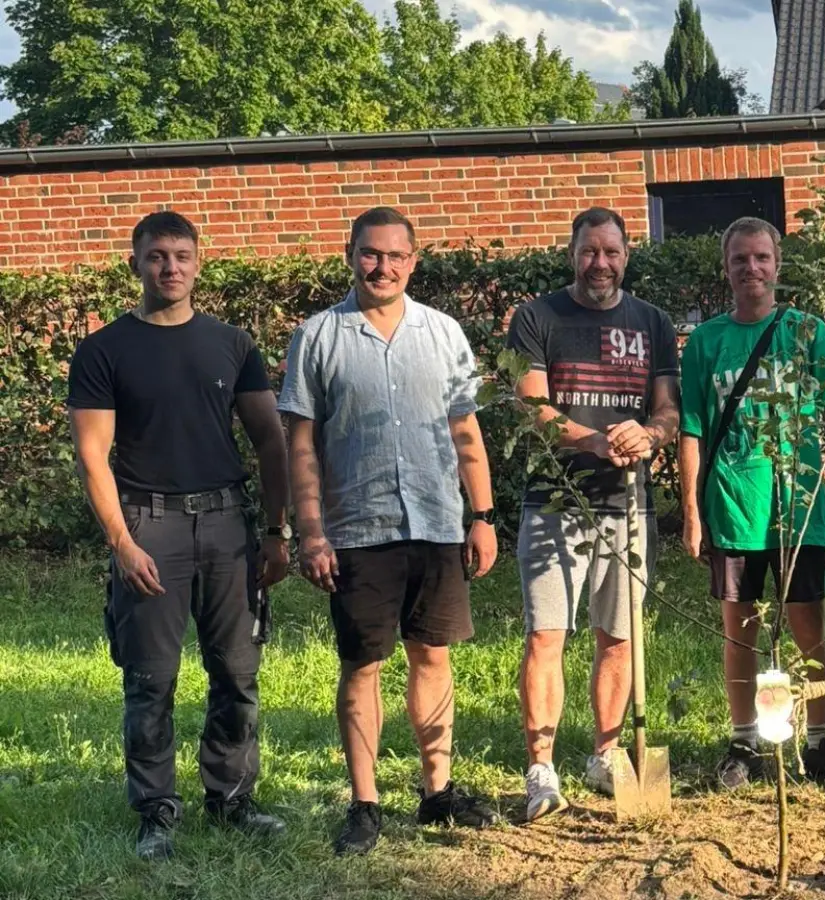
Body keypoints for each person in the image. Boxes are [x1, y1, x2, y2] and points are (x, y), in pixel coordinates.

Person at [66, 210, 290, 860]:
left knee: (238, 673)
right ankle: (157, 815)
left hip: (227, 525)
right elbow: (92, 455)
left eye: (181, 256)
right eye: (157, 255)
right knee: (149, 680)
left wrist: (276, 532)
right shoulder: (104, 350)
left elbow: (270, 439)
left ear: (199, 262)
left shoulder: (232, 344)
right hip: (149, 525)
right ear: (135, 263)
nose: (170, 267)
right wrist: (121, 541)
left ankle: (231, 802)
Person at [278, 206, 500, 855]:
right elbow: (300, 446)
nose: (382, 266)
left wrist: (482, 517)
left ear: (413, 260)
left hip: (436, 524)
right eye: (370, 254)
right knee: (363, 664)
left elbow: (466, 432)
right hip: (356, 529)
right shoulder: (317, 337)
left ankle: (437, 793)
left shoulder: (443, 334)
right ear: (350, 254)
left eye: (395, 255)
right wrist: (311, 532)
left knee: (432, 655)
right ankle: (365, 804)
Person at [678, 216, 825, 789]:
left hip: (799, 508)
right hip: (734, 507)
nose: (751, 269)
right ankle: (744, 739)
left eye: (761, 257)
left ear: (777, 265)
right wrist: (691, 510)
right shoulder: (707, 342)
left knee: (806, 622)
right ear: (726, 269)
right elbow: (692, 430)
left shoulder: (809, 333)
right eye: (740, 259)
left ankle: (818, 738)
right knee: (738, 627)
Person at [507, 207, 680, 821]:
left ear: (627, 255)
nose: (599, 263)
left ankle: (605, 753)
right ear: (572, 253)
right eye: (589, 251)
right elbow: (530, 409)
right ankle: (541, 767)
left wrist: (650, 436)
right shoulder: (537, 318)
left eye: (611, 252)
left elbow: (668, 412)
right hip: (557, 499)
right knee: (547, 634)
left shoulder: (652, 322)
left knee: (619, 637)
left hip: (628, 505)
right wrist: (591, 440)